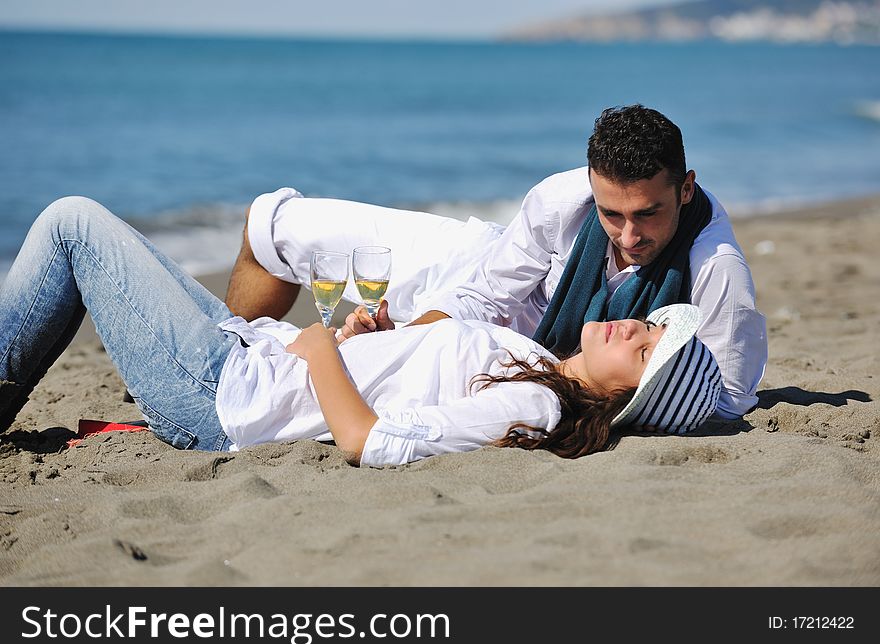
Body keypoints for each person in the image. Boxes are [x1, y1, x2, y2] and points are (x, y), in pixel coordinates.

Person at [0, 198, 721, 466]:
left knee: (73, 224)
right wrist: (366, 341)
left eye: (645, 349)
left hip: (225, 395)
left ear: (630, 395)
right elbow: (406, 389)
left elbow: (371, 440)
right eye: (651, 327)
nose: (632, 325)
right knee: (84, 233)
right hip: (249, 357)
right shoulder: (533, 363)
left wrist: (318, 351)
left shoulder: (533, 406)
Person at [225, 104, 766, 420]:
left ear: (686, 188)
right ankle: (229, 366)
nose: (629, 234)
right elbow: (484, 294)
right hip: (476, 276)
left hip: (512, 366)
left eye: (648, 214)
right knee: (272, 228)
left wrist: (610, 401)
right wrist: (408, 335)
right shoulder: (560, 201)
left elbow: (730, 397)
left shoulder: (716, 266)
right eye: (611, 214)